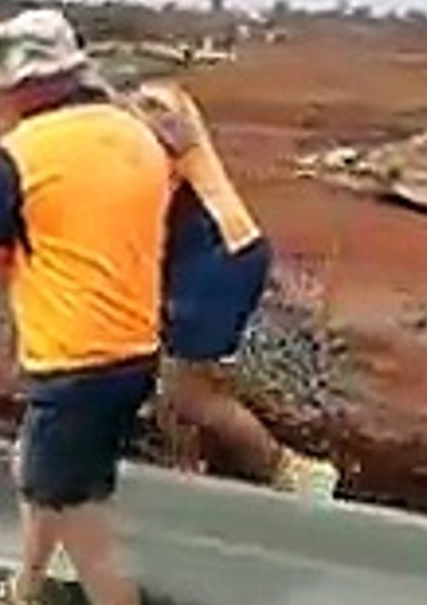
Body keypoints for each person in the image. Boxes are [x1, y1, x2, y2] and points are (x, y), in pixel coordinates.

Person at [0, 9, 168, 605]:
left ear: (35, 83)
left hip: (73, 358)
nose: (3, 98)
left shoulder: (22, 153)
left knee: (76, 514)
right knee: (42, 480)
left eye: (9, 85)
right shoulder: (136, 135)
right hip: (133, 349)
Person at [87, 44, 340, 497]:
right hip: (192, 260)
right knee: (163, 378)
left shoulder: (155, 109)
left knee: (189, 392)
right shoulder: (128, 119)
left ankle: (293, 473)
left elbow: (158, 156)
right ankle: (182, 477)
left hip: (218, 256)